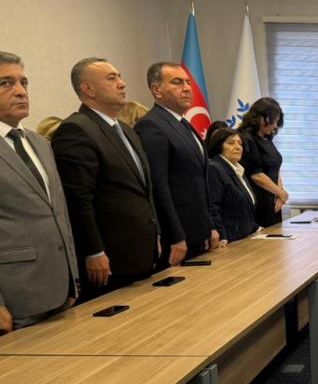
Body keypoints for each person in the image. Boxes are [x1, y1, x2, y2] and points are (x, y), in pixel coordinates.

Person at [52, 57, 158, 302]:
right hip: (110, 261)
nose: (122, 83)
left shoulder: (126, 130)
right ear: (88, 89)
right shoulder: (76, 130)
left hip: (142, 251)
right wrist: (94, 251)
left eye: (119, 76)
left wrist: (156, 235)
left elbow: (143, 189)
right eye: (112, 78)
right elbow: (78, 199)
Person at [0, 51, 78, 333]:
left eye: (24, 82)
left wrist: (73, 276)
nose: (21, 91)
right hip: (16, 297)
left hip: (61, 290)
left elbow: (58, 211)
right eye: (6, 83)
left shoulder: (40, 143)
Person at [135, 61, 216, 267]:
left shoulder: (183, 123)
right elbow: (159, 187)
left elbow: (199, 182)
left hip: (198, 232)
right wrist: (175, 236)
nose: (187, 88)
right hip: (178, 239)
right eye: (177, 82)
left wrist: (210, 226)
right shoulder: (151, 125)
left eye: (188, 82)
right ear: (156, 90)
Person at [238, 97, 287, 227]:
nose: (275, 126)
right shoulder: (246, 138)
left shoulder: (267, 139)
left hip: (273, 201)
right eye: (273, 121)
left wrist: (280, 193)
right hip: (257, 202)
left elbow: (275, 167)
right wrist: (281, 193)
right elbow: (256, 175)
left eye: (277, 121)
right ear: (260, 117)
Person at [206, 128, 258, 244]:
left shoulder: (237, 169)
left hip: (245, 237)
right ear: (219, 146)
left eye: (240, 143)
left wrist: (256, 228)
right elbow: (212, 207)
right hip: (228, 241)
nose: (238, 147)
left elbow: (245, 208)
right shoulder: (214, 167)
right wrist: (222, 237)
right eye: (231, 143)